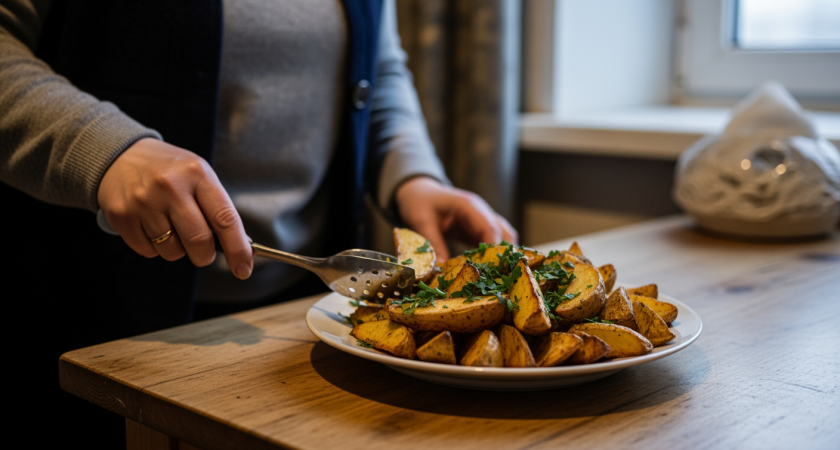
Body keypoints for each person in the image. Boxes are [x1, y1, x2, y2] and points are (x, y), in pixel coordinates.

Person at [0, 0, 516, 446]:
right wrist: (104, 149)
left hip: (308, 330)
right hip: (95, 329)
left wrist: (414, 176)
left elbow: (378, 70)